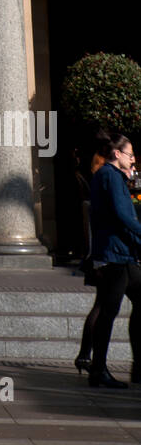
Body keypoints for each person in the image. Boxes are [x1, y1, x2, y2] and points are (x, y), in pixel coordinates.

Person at [86, 129, 141, 389]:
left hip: (121, 254)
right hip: (115, 255)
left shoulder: (107, 176)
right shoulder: (110, 176)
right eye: (130, 155)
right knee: (108, 313)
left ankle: (131, 367)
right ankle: (98, 369)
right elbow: (123, 216)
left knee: (113, 309)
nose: (133, 160)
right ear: (117, 154)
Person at [73, 141, 107, 373]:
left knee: (102, 305)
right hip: (106, 257)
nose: (133, 159)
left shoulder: (98, 180)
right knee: (103, 306)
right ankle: (89, 358)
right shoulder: (105, 181)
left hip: (102, 256)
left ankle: (86, 356)